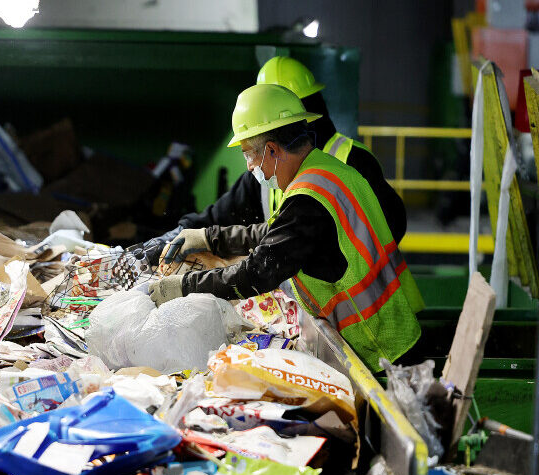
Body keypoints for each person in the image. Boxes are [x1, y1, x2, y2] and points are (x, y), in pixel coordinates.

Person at [147, 84, 421, 371]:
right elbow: (273, 233)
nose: (251, 167)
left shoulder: (307, 199)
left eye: (249, 155)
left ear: (272, 150)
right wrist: (206, 237)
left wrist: (184, 286)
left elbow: (257, 272)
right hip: (394, 332)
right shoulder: (326, 171)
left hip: (379, 352)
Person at [136, 56, 406, 266]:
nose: (252, 163)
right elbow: (219, 218)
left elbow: (390, 229)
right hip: (314, 311)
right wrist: (172, 239)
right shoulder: (265, 169)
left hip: (369, 316)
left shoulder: (352, 161)